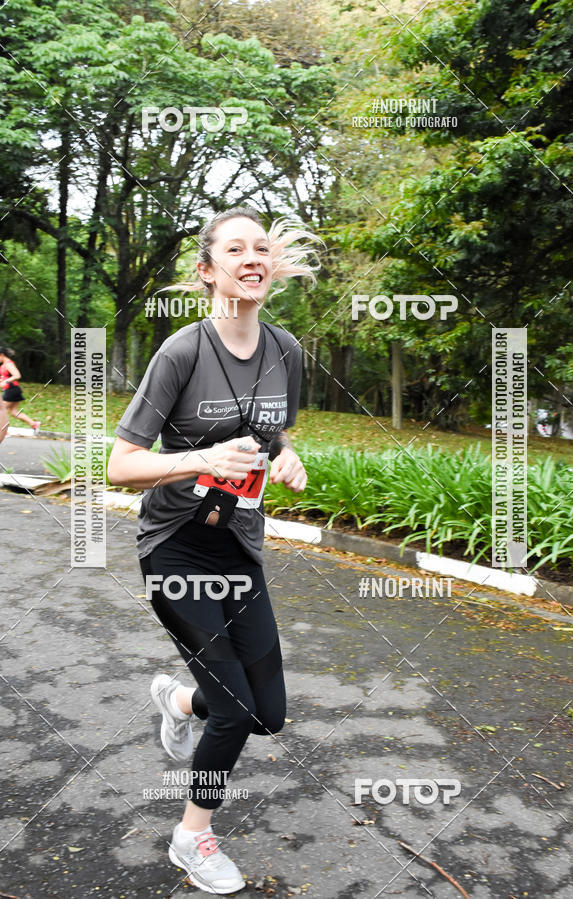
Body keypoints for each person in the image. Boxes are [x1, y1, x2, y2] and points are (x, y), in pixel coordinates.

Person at [107, 207, 320, 894]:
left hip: (240, 547)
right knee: (234, 708)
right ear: (208, 271)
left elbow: (276, 434)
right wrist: (199, 456)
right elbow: (120, 465)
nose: (253, 256)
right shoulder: (182, 352)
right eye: (236, 248)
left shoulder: (285, 349)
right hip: (176, 545)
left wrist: (291, 461)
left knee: (268, 712)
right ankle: (192, 835)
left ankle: (178, 701)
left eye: (262, 247)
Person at [0, 347, 40, 434]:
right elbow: (6, 377)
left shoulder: (8, 364)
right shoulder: (4, 364)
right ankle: (34, 424)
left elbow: (17, 375)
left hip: (12, 390)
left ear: (2, 355)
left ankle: (4, 431)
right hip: (12, 390)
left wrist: (5, 381)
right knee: (14, 412)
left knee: (1, 410)